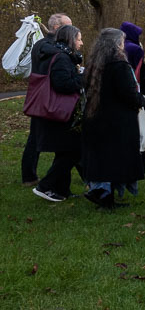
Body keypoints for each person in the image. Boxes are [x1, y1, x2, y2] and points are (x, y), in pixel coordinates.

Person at [81, 28, 145, 208]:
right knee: (114, 159)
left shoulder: (94, 63)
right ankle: (103, 194)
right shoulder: (119, 65)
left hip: (95, 117)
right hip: (117, 121)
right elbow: (127, 94)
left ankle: (104, 193)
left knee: (103, 159)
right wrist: (141, 100)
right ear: (118, 44)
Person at [30, 25, 84, 202]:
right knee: (71, 151)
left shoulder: (55, 55)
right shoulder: (61, 58)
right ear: (70, 39)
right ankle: (45, 186)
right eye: (78, 39)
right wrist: (83, 78)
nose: (81, 43)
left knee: (64, 151)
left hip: (56, 112)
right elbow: (63, 84)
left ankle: (61, 190)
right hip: (60, 111)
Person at [21, 12, 70, 186]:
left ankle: (31, 175)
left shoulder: (45, 45)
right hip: (47, 97)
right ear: (57, 27)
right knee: (40, 137)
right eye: (68, 25)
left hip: (44, 97)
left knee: (37, 136)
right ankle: (30, 176)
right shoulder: (49, 46)